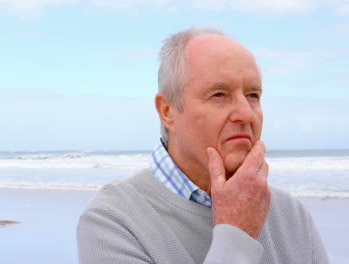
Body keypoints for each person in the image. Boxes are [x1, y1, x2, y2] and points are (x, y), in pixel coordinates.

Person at [77, 27, 329, 264]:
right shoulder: (113, 220)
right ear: (167, 111)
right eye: (219, 95)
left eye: (253, 95)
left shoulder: (292, 215)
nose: (245, 113)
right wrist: (236, 234)